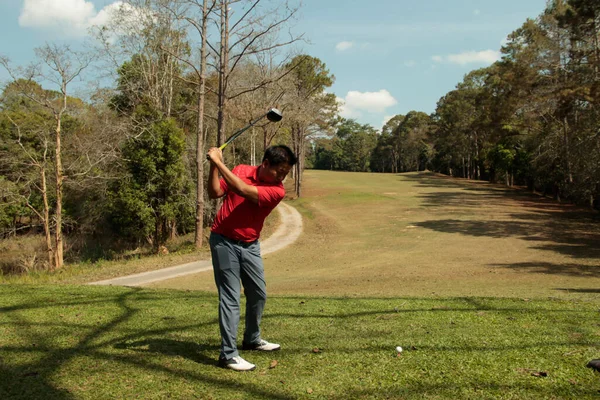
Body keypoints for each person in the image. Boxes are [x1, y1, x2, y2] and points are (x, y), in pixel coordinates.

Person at [206, 144, 297, 371]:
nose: (283, 177)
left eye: (286, 173)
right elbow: (215, 192)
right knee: (230, 296)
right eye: (280, 171)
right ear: (265, 164)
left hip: (250, 245)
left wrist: (219, 161)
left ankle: (251, 339)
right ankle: (228, 355)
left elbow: (243, 190)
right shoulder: (240, 170)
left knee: (258, 293)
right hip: (223, 241)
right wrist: (213, 168)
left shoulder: (277, 191)